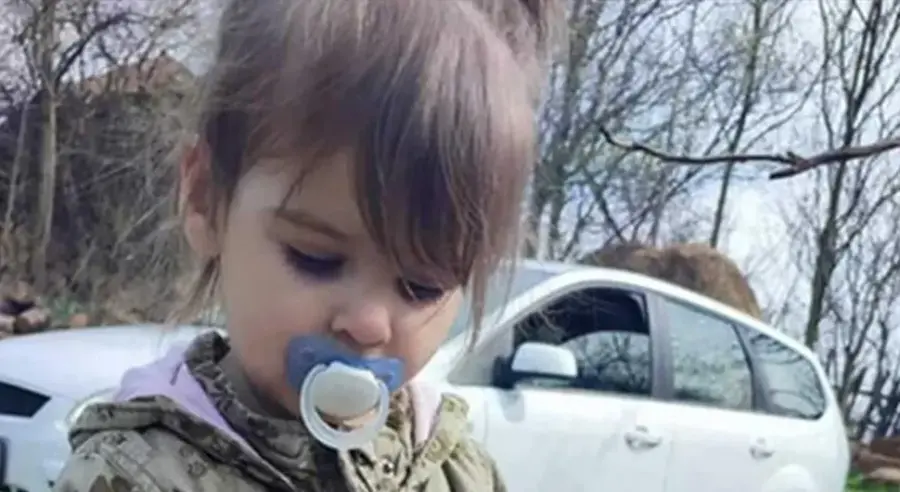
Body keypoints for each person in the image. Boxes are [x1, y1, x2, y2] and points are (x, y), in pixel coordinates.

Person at [53, 0, 562, 490]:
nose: (368, 324)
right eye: (316, 259)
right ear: (206, 196)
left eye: (421, 287)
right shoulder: (135, 473)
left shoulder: (455, 471)